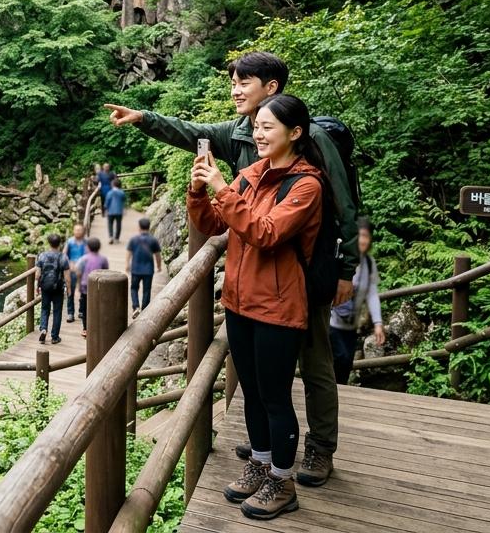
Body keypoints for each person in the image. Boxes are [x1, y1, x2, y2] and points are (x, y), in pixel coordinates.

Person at [105, 51, 356, 485]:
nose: (236, 91)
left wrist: (346, 269)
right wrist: (143, 118)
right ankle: (271, 449)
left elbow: (345, 207)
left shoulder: (310, 144)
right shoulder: (245, 137)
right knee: (263, 383)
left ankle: (318, 448)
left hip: (304, 267)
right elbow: (191, 133)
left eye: (244, 83)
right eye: (233, 83)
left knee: (314, 362)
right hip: (253, 282)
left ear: (271, 88)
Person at [187, 93, 326, 520]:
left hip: (279, 308)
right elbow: (213, 223)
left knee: (274, 396)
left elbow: (265, 232)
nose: (259, 134)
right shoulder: (251, 174)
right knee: (251, 391)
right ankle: (261, 464)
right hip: (240, 301)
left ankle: (282, 482)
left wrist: (221, 187)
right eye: (257, 127)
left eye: (268, 127)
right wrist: (197, 190)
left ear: (295, 133)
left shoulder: (307, 186)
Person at [330, 218, 385, 384]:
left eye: (366, 236)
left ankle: (339, 397)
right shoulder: (340, 258)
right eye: (360, 235)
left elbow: (372, 294)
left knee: (346, 363)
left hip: (351, 325)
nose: (363, 240)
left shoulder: (369, 262)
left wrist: (378, 323)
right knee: (339, 358)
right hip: (331, 321)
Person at [35, 233, 71, 345]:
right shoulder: (63, 257)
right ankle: (55, 337)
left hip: (45, 287)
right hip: (58, 288)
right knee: (57, 312)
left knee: (45, 309)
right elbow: (67, 277)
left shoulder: (42, 256)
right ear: (59, 243)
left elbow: (37, 274)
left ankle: (43, 329)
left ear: (49, 243)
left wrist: (36, 287)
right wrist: (69, 290)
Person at [125, 217, 163, 317]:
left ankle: (135, 307)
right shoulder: (153, 240)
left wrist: (127, 265)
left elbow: (129, 252)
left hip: (136, 269)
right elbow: (157, 255)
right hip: (148, 270)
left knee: (134, 288)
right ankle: (145, 310)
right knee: (147, 290)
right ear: (149, 227)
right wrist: (159, 266)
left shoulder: (134, 239)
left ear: (139, 227)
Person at [74, 237, 110, 337]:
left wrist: (78, 285)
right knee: (98, 306)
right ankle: (97, 326)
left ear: (88, 247)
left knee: (85, 308)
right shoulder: (103, 259)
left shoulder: (84, 259)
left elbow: (78, 271)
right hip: (98, 287)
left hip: (85, 287)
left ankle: (85, 328)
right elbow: (106, 271)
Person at [65, 224, 89, 323]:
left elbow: (89, 255)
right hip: (72, 269)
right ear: (73, 231)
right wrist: (68, 264)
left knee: (83, 291)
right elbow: (64, 255)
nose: (78, 232)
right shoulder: (70, 242)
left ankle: (81, 310)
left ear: (83, 231)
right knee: (70, 291)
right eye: (76, 230)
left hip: (83, 270)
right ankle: (70, 313)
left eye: (80, 230)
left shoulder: (86, 242)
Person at [104, 179, 127, 243]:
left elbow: (107, 202)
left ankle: (111, 237)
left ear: (113, 185)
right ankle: (117, 238)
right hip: (119, 211)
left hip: (110, 211)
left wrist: (106, 209)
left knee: (110, 224)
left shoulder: (109, 193)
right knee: (118, 224)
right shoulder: (122, 192)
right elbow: (124, 200)